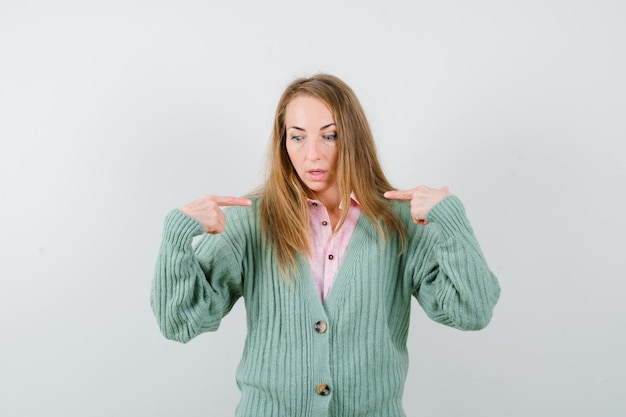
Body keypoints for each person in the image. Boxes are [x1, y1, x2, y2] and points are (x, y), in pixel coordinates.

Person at [151, 73, 500, 417]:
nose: (312, 154)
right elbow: (180, 322)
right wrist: (176, 233)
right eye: (298, 137)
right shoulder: (251, 222)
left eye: (329, 136)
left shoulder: (400, 224)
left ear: (353, 139)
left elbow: (472, 311)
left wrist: (452, 221)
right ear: (283, 143)